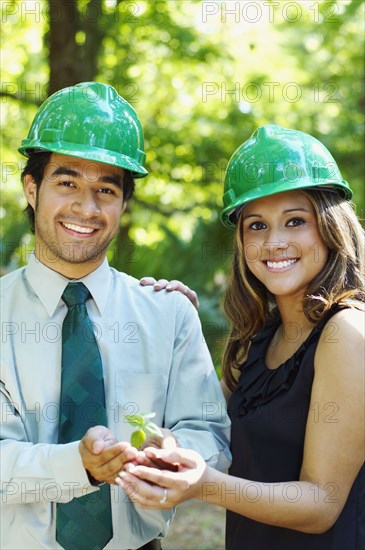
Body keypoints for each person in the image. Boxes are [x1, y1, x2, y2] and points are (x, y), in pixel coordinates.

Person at [0, 82, 231, 550]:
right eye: (67, 183)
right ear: (31, 188)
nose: (86, 208)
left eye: (106, 190)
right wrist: (79, 466)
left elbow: (209, 433)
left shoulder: (168, 314)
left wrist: (175, 458)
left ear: (124, 203)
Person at [116, 125, 365, 550]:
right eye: (256, 226)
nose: (275, 242)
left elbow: (322, 504)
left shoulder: (347, 333)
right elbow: (209, 430)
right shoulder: (259, 338)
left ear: (329, 225)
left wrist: (205, 485)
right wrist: (176, 330)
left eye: (295, 221)